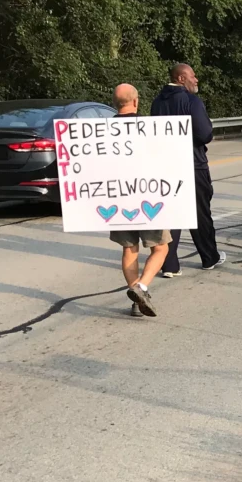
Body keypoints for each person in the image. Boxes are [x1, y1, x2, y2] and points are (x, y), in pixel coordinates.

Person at [151, 63, 225, 275]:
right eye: (193, 76)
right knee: (199, 212)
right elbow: (204, 133)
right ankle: (209, 257)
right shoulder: (191, 101)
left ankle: (169, 264)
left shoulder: (157, 103)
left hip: (166, 165)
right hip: (192, 164)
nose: (196, 80)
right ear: (181, 79)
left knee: (172, 214)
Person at [110, 83, 168, 317]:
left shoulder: (101, 132)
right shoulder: (149, 128)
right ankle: (141, 289)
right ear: (136, 102)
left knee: (129, 248)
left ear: (115, 104)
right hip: (147, 196)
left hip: (117, 196)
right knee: (161, 248)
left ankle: (136, 299)